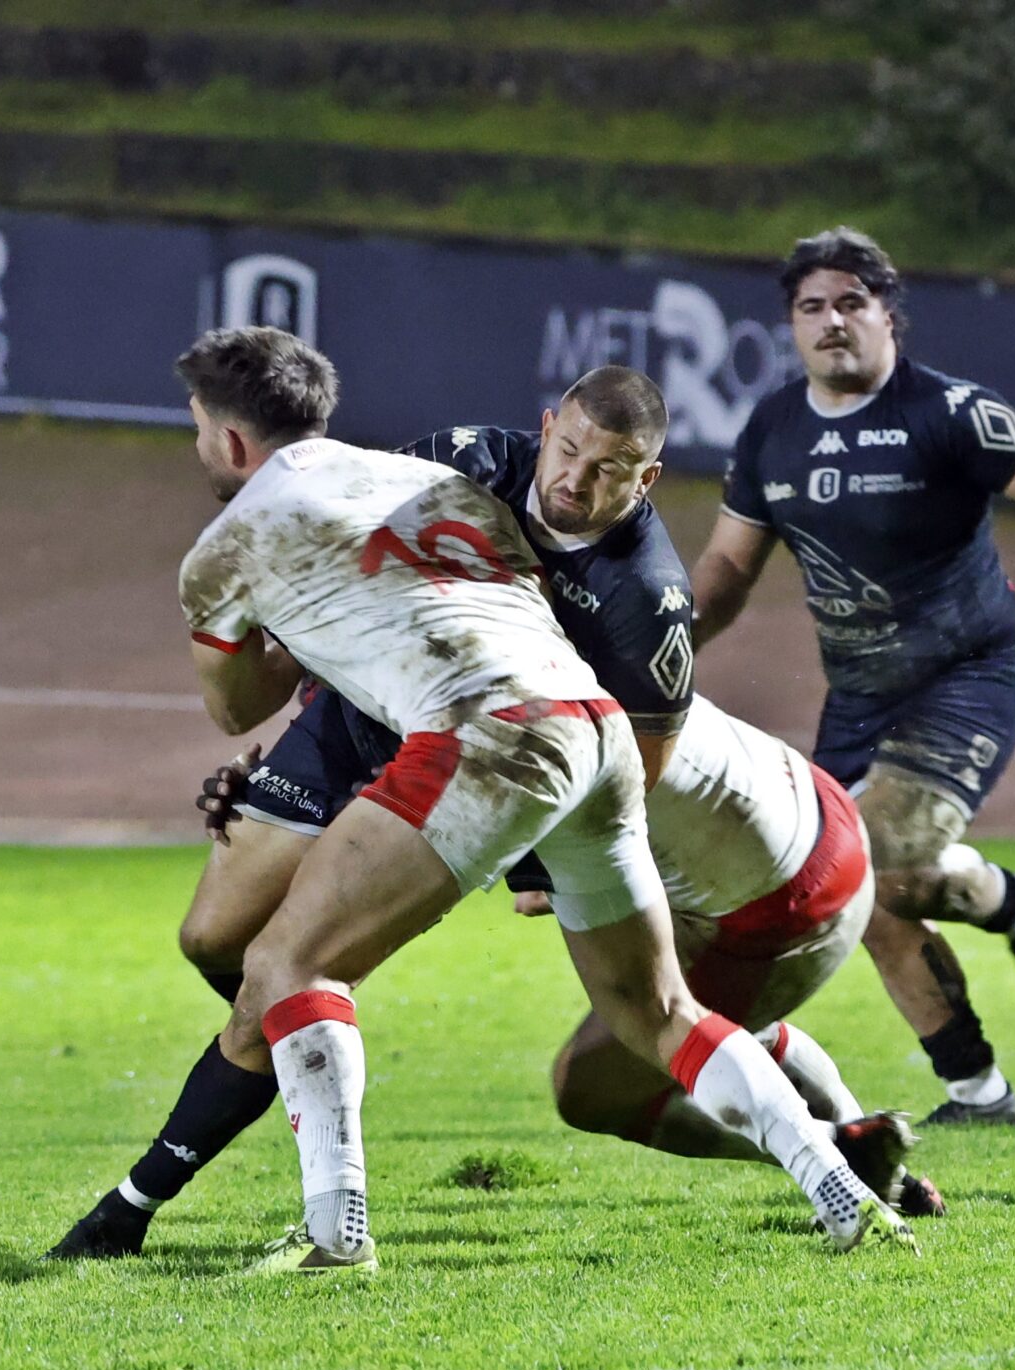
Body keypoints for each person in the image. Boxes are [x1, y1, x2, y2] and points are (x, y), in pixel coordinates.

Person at [47, 369, 932, 1264]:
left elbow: (650, 760)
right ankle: (838, 1185)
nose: (576, 479)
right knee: (649, 1007)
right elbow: (359, 577)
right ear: (545, 428)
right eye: (569, 450)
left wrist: (504, 847)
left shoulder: (648, 595)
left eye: (608, 468)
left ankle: (331, 1229)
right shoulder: (460, 459)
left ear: (648, 479)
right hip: (463, 724)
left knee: (287, 964)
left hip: (486, 742)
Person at [690, 228, 1015, 1126]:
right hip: (859, 698)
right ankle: (984, 1066)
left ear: (888, 316)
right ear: (793, 328)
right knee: (846, 891)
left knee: (868, 865)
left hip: (964, 679)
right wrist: (667, 642)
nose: (832, 322)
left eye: (852, 303)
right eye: (812, 308)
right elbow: (727, 568)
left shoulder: (947, 411)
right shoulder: (772, 430)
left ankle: (1007, 952)